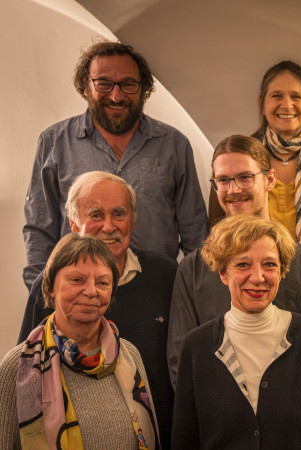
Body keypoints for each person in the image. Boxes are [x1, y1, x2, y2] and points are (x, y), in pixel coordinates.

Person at [23, 40, 207, 289]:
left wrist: (193, 296)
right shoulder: (54, 142)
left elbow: (196, 234)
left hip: (158, 295)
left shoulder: (174, 145)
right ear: (85, 86)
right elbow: (39, 229)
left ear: (144, 89)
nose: (116, 95)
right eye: (104, 83)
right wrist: (44, 289)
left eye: (128, 84)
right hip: (79, 296)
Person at [18, 171, 176, 445]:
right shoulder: (53, 285)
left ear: (133, 220)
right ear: (72, 220)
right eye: (95, 215)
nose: (108, 226)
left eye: (119, 214)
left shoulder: (166, 276)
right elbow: (27, 369)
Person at [172, 214, 301, 449]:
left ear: (282, 271)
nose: (258, 277)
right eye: (243, 264)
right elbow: (184, 440)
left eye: (269, 264)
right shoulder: (197, 346)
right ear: (223, 273)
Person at [167, 135, 301, 387]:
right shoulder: (192, 269)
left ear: (270, 180)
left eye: (245, 177)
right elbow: (182, 364)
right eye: (223, 180)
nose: (234, 189)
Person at [1, 234, 158, 449]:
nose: (92, 291)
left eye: (102, 282)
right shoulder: (17, 368)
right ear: (50, 288)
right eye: (77, 280)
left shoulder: (129, 355)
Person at [208, 61, 301, 280]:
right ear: (262, 104)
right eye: (277, 96)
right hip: (250, 280)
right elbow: (217, 223)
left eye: (296, 97)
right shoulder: (238, 159)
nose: (286, 104)